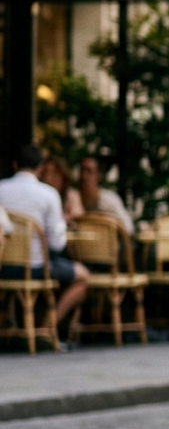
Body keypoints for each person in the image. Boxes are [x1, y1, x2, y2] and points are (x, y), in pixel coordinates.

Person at [0, 144, 88, 347]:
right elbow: (57, 243)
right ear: (39, 168)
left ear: (14, 165)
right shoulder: (48, 194)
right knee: (82, 276)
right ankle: (47, 329)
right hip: (36, 268)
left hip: (3, 266)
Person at [65, 156, 133, 234]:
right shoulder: (72, 198)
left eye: (89, 171)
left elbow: (128, 228)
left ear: (99, 175)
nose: (84, 176)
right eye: (82, 170)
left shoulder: (110, 201)